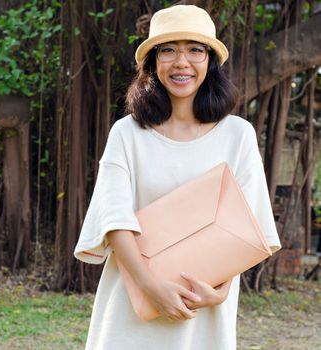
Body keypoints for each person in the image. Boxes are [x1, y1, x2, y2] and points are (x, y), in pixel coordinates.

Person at [74, 4, 281, 349]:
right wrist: (150, 287)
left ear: (210, 63)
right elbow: (114, 219)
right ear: (153, 62)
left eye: (195, 50)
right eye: (168, 50)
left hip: (204, 311)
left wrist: (219, 292)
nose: (181, 62)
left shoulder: (238, 135)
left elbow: (250, 228)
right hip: (131, 305)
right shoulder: (127, 133)